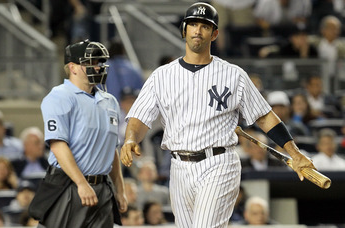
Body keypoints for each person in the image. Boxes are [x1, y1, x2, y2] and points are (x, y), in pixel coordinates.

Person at [120, 2, 315, 227]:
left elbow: (264, 116)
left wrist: (295, 152)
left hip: (218, 163)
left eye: (205, 26)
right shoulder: (161, 76)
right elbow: (140, 116)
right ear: (184, 30)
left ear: (214, 34)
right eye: (192, 24)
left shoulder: (233, 75)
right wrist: (131, 138)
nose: (197, 30)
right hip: (179, 166)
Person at [28, 40, 127, 228]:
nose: (97, 67)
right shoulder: (59, 96)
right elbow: (58, 145)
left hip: (102, 187)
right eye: (90, 62)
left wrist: (119, 189)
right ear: (72, 67)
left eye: (99, 62)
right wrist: (81, 183)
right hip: (68, 185)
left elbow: (111, 148)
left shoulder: (110, 101)